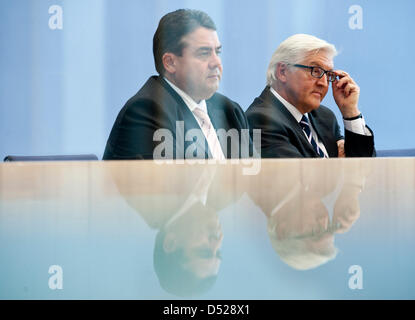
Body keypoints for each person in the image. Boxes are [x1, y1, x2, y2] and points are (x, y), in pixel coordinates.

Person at [103, 9, 250, 160]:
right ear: (170, 62)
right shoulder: (147, 111)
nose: (216, 62)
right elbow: (177, 182)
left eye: (217, 52)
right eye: (204, 53)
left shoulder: (230, 111)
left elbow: (256, 176)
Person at [246, 34, 375, 158]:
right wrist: (337, 164)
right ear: (283, 72)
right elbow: (299, 177)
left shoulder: (324, 116)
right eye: (315, 71)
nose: (324, 83)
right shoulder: (261, 120)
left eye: (328, 74)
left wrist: (351, 113)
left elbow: (363, 170)